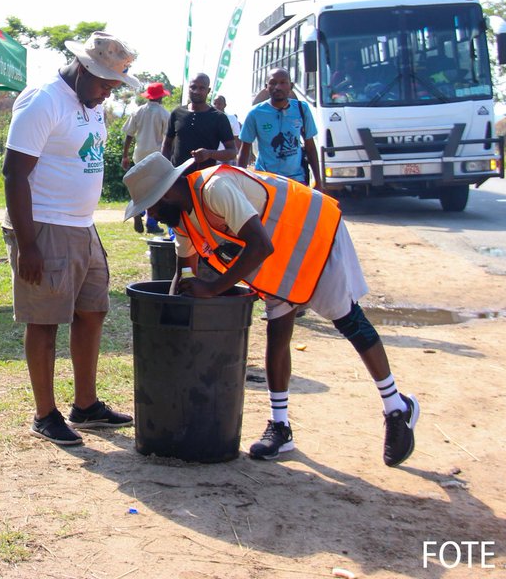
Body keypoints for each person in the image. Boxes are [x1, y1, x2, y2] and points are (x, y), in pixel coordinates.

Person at [122, 152, 420, 466]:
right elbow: (184, 273)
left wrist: (212, 289)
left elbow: (260, 245)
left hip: (313, 234)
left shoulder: (215, 189)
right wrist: (173, 321)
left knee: (348, 319)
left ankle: (397, 406)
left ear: (166, 193)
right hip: (281, 256)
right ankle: (281, 427)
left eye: (151, 205)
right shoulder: (183, 220)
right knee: (277, 333)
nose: (151, 214)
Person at [3, 31, 139, 447]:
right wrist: (28, 246)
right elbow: (14, 173)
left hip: (83, 226)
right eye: (103, 85)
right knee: (44, 321)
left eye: (114, 88)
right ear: (81, 69)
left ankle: (85, 405)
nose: (106, 96)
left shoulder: (89, 99)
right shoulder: (44, 101)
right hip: (44, 225)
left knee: (92, 312)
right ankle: (45, 414)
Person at [238, 68, 323, 187]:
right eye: (273, 83)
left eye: (283, 82)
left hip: (296, 180)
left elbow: (310, 147)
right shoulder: (255, 113)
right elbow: (245, 150)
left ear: (291, 86)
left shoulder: (302, 109)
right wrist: (239, 181)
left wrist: (318, 182)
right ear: (266, 86)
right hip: (265, 180)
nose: (278, 87)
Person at [121, 81, 170, 234]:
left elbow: (129, 134)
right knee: (156, 190)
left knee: (140, 186)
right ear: (161, 97)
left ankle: (138, 211)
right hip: (156, 156)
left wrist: (125, 156)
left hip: (139, 154)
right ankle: (151, 222)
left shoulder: (138, 111)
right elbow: (168, 138)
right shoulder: (164, 114)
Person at [162, 73, 238, 170]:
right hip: (177, 177)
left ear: (208, 91)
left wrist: (209, 154)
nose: (196, 91)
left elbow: (232, 152)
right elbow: (167, 145)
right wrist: (166, 168)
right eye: (193, 87)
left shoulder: (219, 118)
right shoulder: (177, 113)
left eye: (202, 88)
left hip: (204, 180)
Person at [213, 95, 242, 164]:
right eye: (214, 103)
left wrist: (237, 155)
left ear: (225, 105)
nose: (216, 106)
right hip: (212, 157)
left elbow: (237, 138)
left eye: (219, 104)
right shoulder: (208, 119)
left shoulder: (232, 118)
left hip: (227, 157)